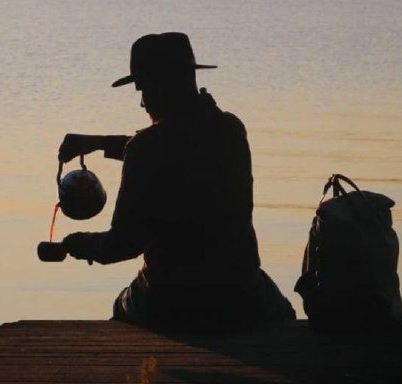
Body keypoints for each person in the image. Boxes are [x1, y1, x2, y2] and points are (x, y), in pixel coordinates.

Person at [58, 32, 296, 330]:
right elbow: (180, 146)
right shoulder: (232, 130)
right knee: (283, 310)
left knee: (122, 304)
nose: (142, 103)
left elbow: (122, 245)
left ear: (159, 87)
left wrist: (76, 244)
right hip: (241, 294)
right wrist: (100, 143)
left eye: (142, 89)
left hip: (174, 301)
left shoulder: (146, 149)